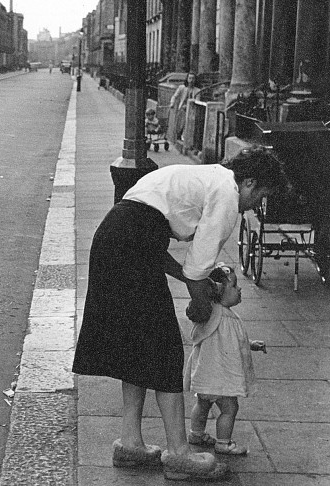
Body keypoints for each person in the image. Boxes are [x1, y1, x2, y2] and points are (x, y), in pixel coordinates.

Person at [71, 146, 287, 481]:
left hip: (116, 238)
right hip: (133, 245)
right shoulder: (227, 194)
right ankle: (180, 455)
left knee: (137, 348)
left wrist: (194, 282)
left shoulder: (207, 176)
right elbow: (199, 265)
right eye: (260, 195)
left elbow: (168, 254)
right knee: (165, 350)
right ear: (248, 182)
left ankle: (130, 444)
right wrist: (202, 303)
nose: (256, 204)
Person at [184, 263, 267, 457]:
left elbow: (231, 341)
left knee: (202, 404)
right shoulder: (226, 317)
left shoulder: (210, 313)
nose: (239, 289)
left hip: (205, 373)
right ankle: (223, 443)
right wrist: (248, 344)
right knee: (230, 408)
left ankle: (196, 434)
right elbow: (232, 343)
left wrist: (250, 343)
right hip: (221, 376)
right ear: (218, 291)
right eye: (234, 286)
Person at [169, 72, 200, 141]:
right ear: (187, 79)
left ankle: (185, 136)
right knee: (181, 121)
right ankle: (179, 135)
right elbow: (174, 96)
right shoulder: (181, 88)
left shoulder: (197, 90)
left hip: (192, 109)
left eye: (193, 78)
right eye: (190, 78)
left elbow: (197, 101)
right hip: (182, 109)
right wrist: (172, 103)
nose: (191, 80)